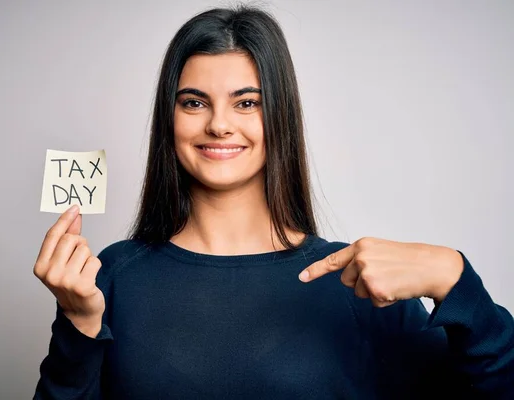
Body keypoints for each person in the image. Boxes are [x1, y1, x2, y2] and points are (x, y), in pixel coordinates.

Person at [32, 5, 514, 399]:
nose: (219, 125)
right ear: (170, 118)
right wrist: (79, 324)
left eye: (247, 102)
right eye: (194, 102)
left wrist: (454, 277)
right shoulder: (110, 277)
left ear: (279, 116)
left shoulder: (354, 282)